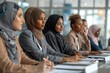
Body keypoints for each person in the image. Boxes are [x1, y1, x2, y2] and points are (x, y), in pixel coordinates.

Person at [0, 2, 53, 73]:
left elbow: (22, 58)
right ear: (8, 17)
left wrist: (40, 64)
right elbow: (6, 67)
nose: (23, 20)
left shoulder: (13, 37)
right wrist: (36, 68)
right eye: (19, 16)